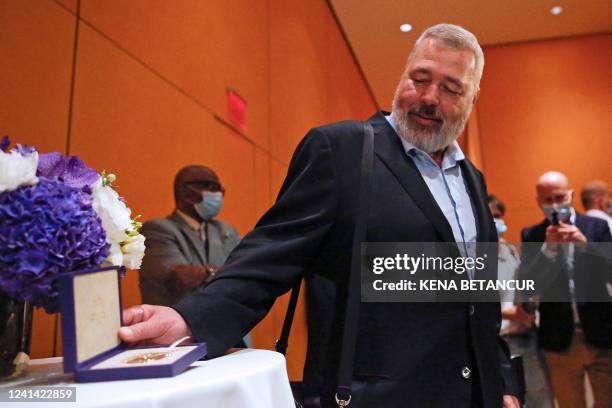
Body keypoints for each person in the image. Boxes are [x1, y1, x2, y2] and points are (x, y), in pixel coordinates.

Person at [119, 24, 521, 407]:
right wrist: (189, 319)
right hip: (377, 399)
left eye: (452, 88)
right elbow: (271, 256)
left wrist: (501, 381)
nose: (430, 96)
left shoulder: (473, 179)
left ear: (472, 99)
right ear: (401, 77)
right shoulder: (343, 150)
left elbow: (479, 300)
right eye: (420, 78)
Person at [520, 171, 612, 407]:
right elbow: (528, 285)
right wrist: (548, 250)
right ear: (538, 201)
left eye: (559, 197)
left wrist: (586, 245)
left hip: (602, 333)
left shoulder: (597, 226)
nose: (554, 205)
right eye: (547, 200)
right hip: (558, 340)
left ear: (570, 194)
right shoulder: (532, 235)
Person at [138, 165, 240, 306]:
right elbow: (180, 279)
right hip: (178, 325)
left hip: (227, 322)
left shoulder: (226, 230)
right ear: (185, 192)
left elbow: (243, 274)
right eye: (211, 187)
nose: (218, 195)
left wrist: (204, 273)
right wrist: (220, 272)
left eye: (220, 190)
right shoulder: (156, 230)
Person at [488, 195, 554, 408]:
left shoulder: (509, 248)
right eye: (491, 216)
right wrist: (513, 313)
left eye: (498, 216)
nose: (496, 221)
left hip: (526, 336)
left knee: (542, 399)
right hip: (503, 340)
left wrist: (529, 307)